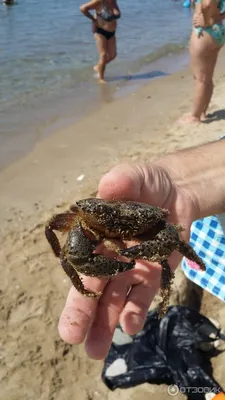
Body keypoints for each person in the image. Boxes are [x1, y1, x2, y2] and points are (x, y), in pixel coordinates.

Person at [58, 137, 225, 360]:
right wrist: (180, 181)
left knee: (172, 241)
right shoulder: (85, 221)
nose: (118, 224)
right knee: (67, 256)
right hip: (215, 240)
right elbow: (69, 251)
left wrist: (133, 253)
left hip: (199, 243)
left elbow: (171, 239)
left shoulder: (156, 222)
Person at [180, 0, 225, 123]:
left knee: (200, 78)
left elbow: (207, 3)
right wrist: (218, 17)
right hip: (218, 30)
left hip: (204, 33)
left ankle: (194, 116)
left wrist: (206, 20)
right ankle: (202, 111)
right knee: (207, 78)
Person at [80, 0, 120, 83]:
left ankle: (98, 67)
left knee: (113, 55)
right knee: (104, 55)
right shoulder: (99, 2)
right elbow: (83, 8)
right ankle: (101, 79)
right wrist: (93, 19)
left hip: (112, 32)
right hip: (100, 31)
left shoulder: (114, 1)